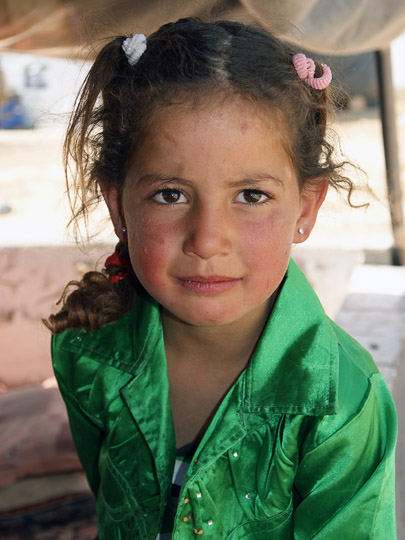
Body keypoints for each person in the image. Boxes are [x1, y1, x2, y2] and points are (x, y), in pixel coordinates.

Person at [46, 18, 397, 540]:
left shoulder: (340, 400)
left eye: (251, 196)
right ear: (119, 205)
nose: (207, 240)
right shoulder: (89, 351)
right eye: (171, 194)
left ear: (306, 207)